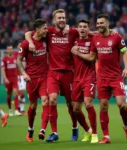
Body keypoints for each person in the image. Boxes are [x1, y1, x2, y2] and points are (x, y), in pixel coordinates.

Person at [71, 14, 127, 144]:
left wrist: (126, 67)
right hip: (102, 78)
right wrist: (78, 52)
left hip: (116, 76)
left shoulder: (116, 37)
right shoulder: (95, 38)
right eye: (97, 23)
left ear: (107, 24)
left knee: (122, 105)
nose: (99, 25)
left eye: (101, 23)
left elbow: (124, 52)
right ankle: (106, 136)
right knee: (103, 106)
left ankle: (126, 127)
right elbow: (92, 56)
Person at [25, 9, 78, 142]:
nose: (62, 20)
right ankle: (54, 132)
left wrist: (108, 31)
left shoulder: (72, 31)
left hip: (68, 73)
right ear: (54, 20)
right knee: (52, 99)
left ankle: (75, 126)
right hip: (53, 72)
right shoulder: (48, 32)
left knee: (70, 104)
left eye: (63, 18)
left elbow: (87, 33)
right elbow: (28, 33)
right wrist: (30, 42)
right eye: (59, 18)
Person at [17, 19, 49, 142]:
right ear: (37, 30)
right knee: (33, 106)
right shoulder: (26, 44)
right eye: (44, 28)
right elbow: (18, 60)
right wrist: (24, 73)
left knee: (45, 101)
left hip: (44, 77)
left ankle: (42, 130)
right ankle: (30, 128)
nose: (47, 30)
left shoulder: (46, 40)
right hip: (31, 79)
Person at [71, 19, 98, 143]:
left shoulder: (92, 41)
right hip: (76, 78)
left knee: (88, 103)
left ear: (88, 29)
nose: (82, 29)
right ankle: (88, 131)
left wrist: (77, 52)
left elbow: (92, 58)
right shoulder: (74, 39)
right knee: (75, 109)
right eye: (80, 26)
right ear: (77, 28)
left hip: (89, 76)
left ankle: (95, 134)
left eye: (85, 27)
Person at [1, 45, 22, 116]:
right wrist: (5, 78)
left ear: (12, 50)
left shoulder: (16, 58)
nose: (10, 50)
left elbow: (19, 67)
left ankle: (16, 110)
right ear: (7, 50)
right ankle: (10, 109)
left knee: (16, 93)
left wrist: (19, 75)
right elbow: (3, 69)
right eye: (8, 49)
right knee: (9, 95)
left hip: (15, 78)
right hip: (8, 80)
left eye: (11, 49)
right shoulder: (4, 59)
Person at [14, 43, 26, 114]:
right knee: (21, 93)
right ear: (17, 46)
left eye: (21, 45)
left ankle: (21, 109)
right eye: (19, 45)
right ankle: (18, 107)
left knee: (23, 94)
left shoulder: (25, 53)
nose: (20, 46)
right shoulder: (16, 54)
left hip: (24, 75)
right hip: (19, 76)